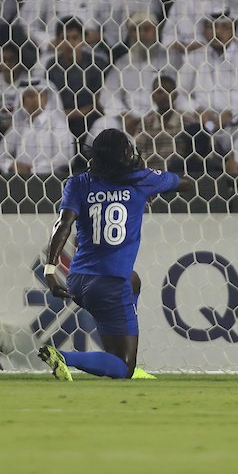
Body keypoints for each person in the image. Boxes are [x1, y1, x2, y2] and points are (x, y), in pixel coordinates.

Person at [38, 128, 191, 380]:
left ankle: (117, 353)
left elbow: (63, 225)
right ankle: (65, 357)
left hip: (78, 280)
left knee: (134, 280)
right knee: (123, 369)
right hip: (110, 285)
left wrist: (51, 271)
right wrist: (151, 183)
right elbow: (185, 183)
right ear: (126, 155)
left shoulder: (78, 183)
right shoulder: (143, 179)